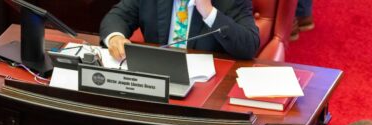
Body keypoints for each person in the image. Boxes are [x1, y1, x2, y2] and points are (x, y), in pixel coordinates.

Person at [100, 0, 260, 61]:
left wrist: (209, 12)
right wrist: (115, 38)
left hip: (204, 89)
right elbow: (117, 17)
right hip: (155, 78)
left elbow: (249, 45)